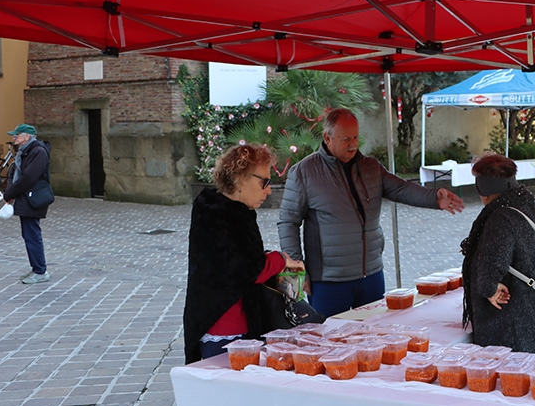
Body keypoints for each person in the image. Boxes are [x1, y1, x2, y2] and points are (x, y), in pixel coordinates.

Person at [279, 107, 465, 317]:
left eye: (356, 137)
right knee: (329, 334)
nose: (353, 144)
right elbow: (288, 222)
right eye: (346, 139)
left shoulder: (370, 167)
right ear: (327, 138)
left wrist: (434, 197)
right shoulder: (304, 172)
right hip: (328, 282)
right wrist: (297, 270)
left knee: (375, 332)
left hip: (371, 276)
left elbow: (401, 189)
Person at [184, 143, 305, 363]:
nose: (268, 190)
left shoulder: (222, 209)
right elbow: (247, 269)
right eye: (264, 182)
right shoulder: (221, 214)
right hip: (225, 323)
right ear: (241, 178)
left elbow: (237, 257)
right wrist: (281, 260)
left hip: (226, 318)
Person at [459, 155, 535, 354]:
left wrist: (489, 288)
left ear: (483, 189)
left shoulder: (501, 217)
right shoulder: (526, 204)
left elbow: (492, 263)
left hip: (514, 324)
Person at [2, 124, 52, 285]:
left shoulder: (38, 151)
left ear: (27, 136)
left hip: (33, 197)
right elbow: (16, 174)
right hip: (26, 197)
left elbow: (28, 178)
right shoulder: (25, 151)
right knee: (29, 234)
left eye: (17, 135)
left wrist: (10, 193)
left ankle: (40, 271)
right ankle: (36, 268)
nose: (14, 138)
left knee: (32, 235)